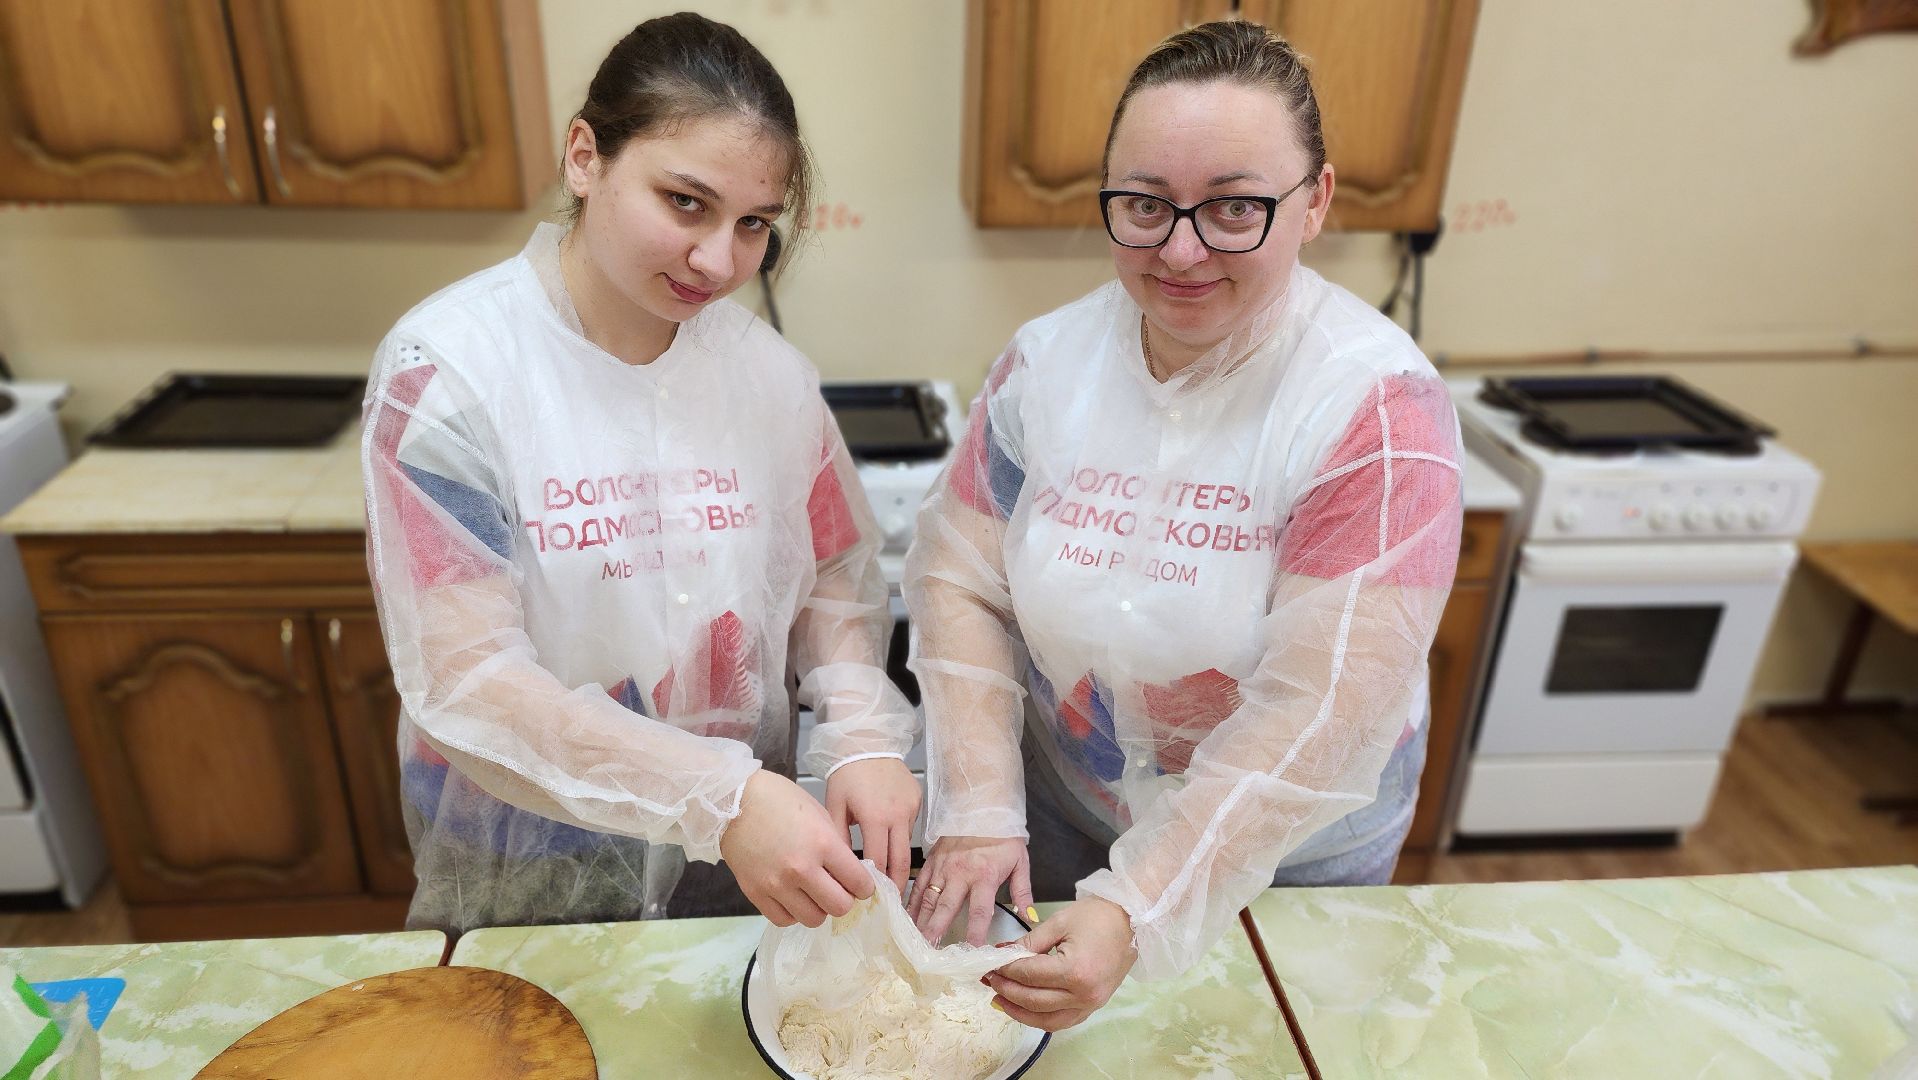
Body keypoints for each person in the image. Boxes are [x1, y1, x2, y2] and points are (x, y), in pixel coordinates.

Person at [904, 20, 1463, 1030]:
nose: (1182, 249)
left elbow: (1318, 709)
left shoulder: (1376, 408)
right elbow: (957, 581)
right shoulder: (1047, 363)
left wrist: (1143, 900)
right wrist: (982, 804)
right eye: (1145, 206)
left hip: (1282, 855)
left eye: (1235, 207)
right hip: (1070, 809)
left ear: (1316, 203)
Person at [362, 13, 921, 935]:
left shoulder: (767, 378)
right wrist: (720, 798)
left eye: (753, 225)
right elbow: (471, 681)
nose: (718, 261)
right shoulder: (449, 378)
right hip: (531, 849)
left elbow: (828, 574)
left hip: (741, 859)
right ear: (586, 157)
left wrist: (859, 724)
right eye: (685, 202)